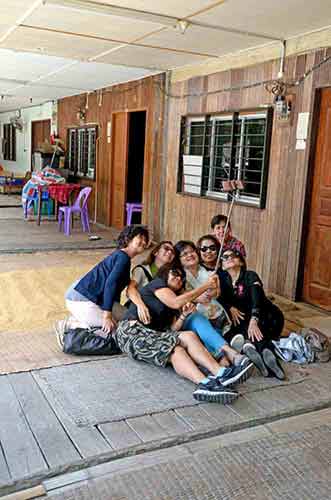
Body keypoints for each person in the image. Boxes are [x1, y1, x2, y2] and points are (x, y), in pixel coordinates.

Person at [116, 263, 251, 404]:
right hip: (131, 331)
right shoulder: (157, 284)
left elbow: (172, 330)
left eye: (182, 276)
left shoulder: (174, 308)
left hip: (151, 337)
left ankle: (216, 376)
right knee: (176, 344)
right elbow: (175, 302)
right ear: (165, 274)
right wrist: (205, 286)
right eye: (175, 273)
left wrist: (183, 315)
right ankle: (209, 379)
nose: (179, 277)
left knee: (184, 340)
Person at [57, 225, 149, 338]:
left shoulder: (122, 257)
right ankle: (71, 325)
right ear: (128, 239)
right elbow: (110, 284)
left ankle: (83, 320)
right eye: (140, 237)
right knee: (114, 330)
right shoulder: (123, 257)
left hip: (86, 295)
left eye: (146, 239)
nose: (144, 241)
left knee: (127, 320)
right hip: (82, 298)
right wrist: (107, 316)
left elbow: (115, 291)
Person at [219, 249, 285, 379]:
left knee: (252, 327)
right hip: (246, 320)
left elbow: (257, 297)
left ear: (241, 262)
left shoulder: (250, 275)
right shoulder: (224, 282)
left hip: (268, 317)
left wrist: (254, 319)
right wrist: (230, 307)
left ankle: (251, 349)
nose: (229, 258)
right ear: (222, 266)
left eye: (234, 255)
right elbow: (220, 298)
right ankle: (264, 352)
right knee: (238, 327)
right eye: (225, 257)